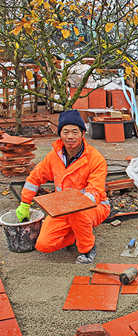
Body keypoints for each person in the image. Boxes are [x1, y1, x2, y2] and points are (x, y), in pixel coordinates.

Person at [15, 110, 110, 264]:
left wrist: (75, 205)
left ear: (82, 133)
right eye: (65, 132)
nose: (70, 136)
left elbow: (95, 191)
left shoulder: (95, 159)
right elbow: (34, 178)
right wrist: (25, 203)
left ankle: (87, 248)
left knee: (77, 214)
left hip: (94, 207)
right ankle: (77, 234)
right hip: (62, 209)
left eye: (74, 132)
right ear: (60, 134)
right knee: (43, 245)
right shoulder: (54, 156)